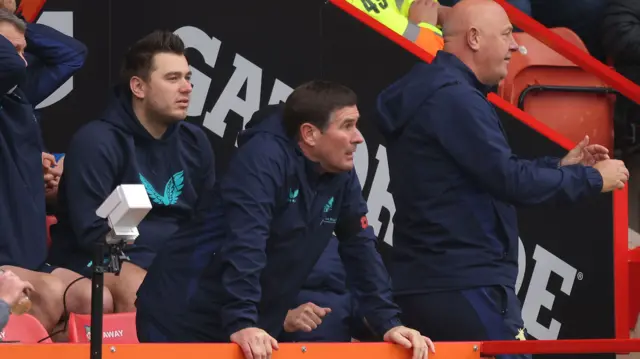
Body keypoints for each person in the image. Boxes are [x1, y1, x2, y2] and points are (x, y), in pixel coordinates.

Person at [373, 0, 629, 357]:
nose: (516, 45)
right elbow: (510, 180)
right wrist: (591, 180)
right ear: (474, 39)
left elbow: (489, 171)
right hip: (463, 282)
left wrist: (560, 167)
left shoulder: (444, 92)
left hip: (440, 280)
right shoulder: (454, 99)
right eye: (507, 34)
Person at [136, 81, 435, 359]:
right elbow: (246, 241)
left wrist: (388, 323)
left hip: (242, 321)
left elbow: (361, 248)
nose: (358, 137)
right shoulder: (263, 158)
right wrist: (243, 320)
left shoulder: (340, 171)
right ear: (310, 134)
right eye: (347, 126)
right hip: (181, 312)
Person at [47, 30, 215, 313]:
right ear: (138, 87)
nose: (186, 88)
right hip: (101, 257)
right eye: (173, 78)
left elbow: (208, 220)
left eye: (187, 78)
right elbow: (92, 234)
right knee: (145, 291)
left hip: (174, 258)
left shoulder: (195, 142)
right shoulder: (97, 140)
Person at [0, 6, 108, 333]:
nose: (21, 61)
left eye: (24, 50)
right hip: (5, 257)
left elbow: (72, 55)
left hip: (29, 251)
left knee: (94, 299)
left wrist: (15, 25)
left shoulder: (18, 97)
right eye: (10, 49)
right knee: (44, 297)